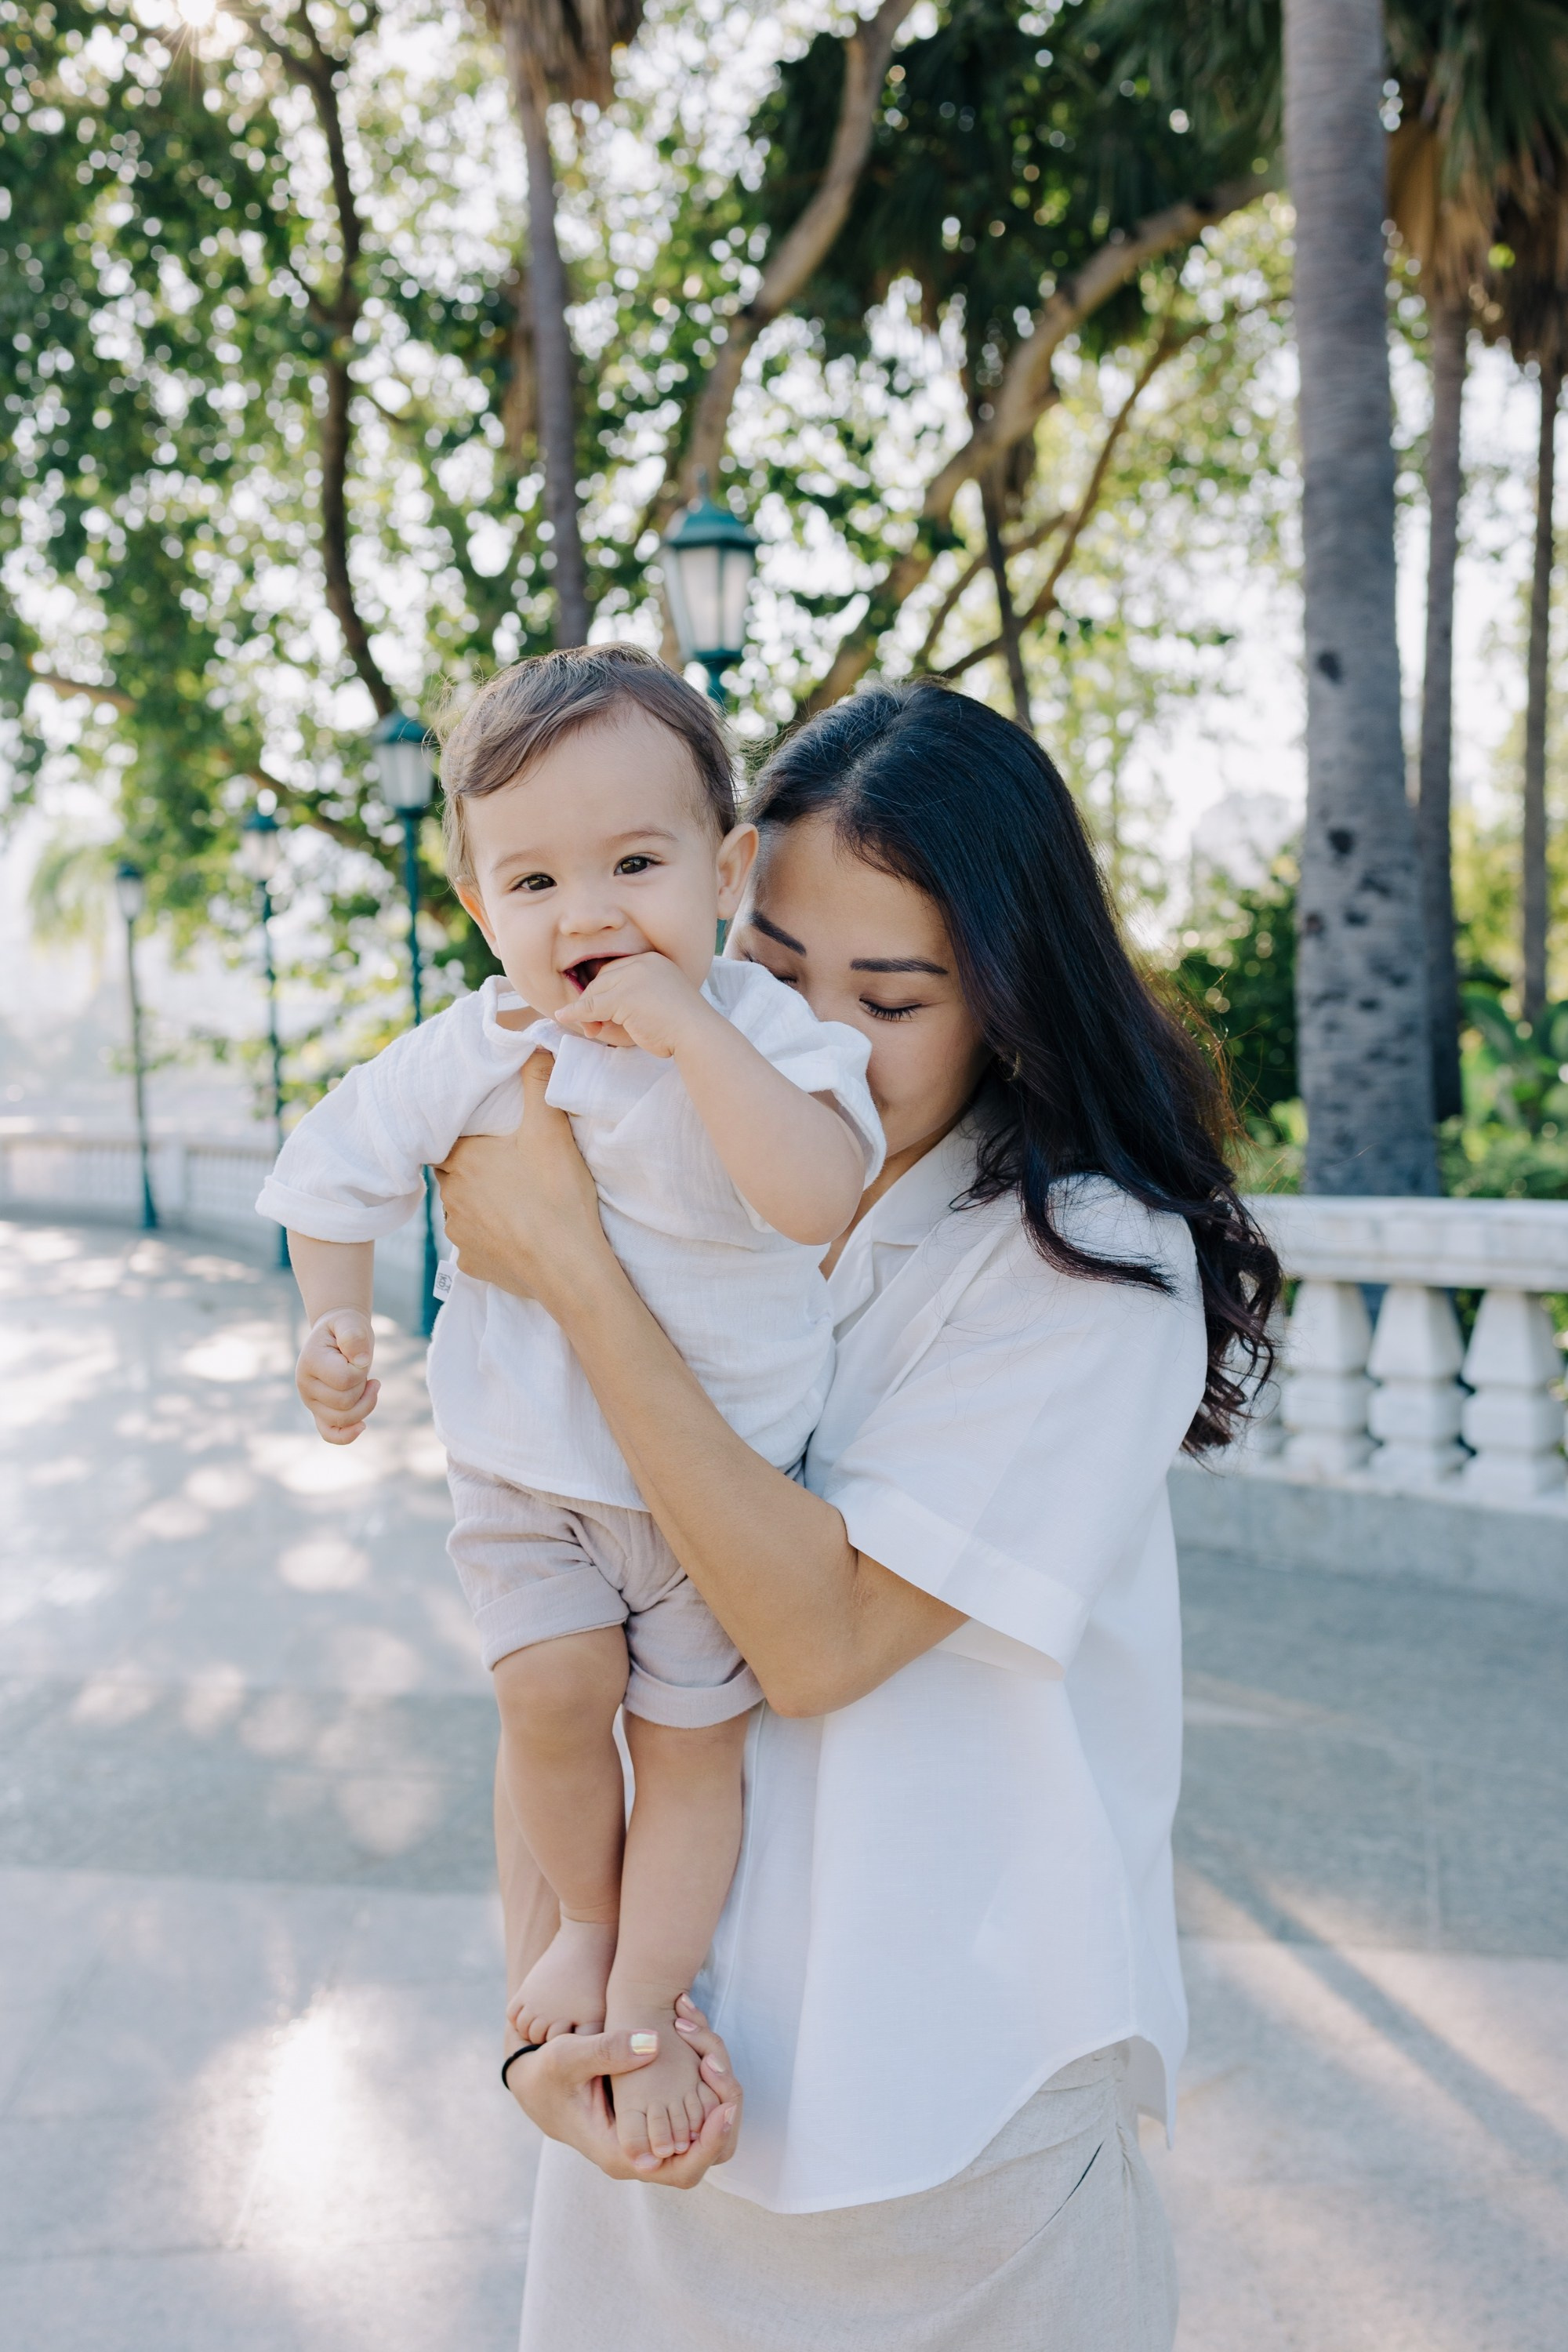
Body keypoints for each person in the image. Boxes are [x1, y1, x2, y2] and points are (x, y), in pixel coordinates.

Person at [436, 677, 1282, 2352]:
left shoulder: (1086, 1270)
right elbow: (559, 1659)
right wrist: (550, 2028)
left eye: (890, 997)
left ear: (1010, 998)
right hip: (659, 2107)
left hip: (957, 2157)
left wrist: (577, 1281)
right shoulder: (660, 1175)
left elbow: (812, 1642)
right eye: (769, 973)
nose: (816, 1039)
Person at [255, 648, 883, 2165]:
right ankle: (588, 1934)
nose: (587, 914)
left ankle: (648, 2003)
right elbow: (337, 1162)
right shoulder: (480, 1047)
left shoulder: (768, 1038)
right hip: (528, 1475)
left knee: (687, 1753)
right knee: (545, 1695)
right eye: (531, 882)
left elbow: (814, 1196)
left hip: (716, 1498)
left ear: (726, 875)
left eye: (636, 863)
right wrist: (332, 1319)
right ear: (479, 909)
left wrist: (693, 1034)